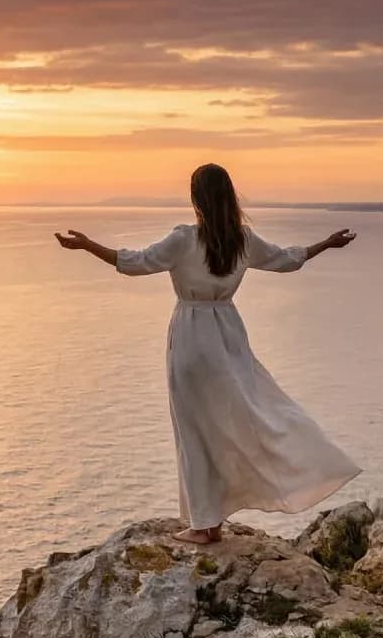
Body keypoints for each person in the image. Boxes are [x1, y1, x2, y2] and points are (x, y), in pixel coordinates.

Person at [55, 163, 362, 544]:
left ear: (196, 198)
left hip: (190, 335)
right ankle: (279, 480)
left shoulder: (183, 239)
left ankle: (205, 524)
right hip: (228, 335)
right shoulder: (242, 239)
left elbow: (134, 262)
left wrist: (87, 245)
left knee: (194, 430)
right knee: (248, 413)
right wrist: (326, 244)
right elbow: (288, 259)